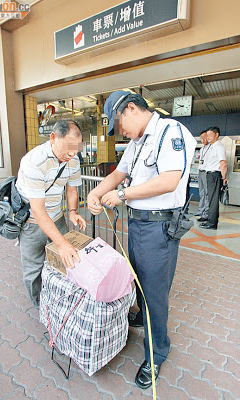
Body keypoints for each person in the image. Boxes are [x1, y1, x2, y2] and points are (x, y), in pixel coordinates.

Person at [87, 91, 196, 389]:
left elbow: (169, 180)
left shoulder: (169, 132)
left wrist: (122, 195)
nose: (120, 132)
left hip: (158, 228)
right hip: (137, 225)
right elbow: (120, 173)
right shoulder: (138, 142)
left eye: (119, 124)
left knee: (154, 293)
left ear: (131, 108)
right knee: (137, 279)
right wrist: (95, 193)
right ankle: (143, 317)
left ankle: (157, 351)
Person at [16, 120, 86, 309]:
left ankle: (61, 302)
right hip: (31, 223)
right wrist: (61, 244)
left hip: (57, 218)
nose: (71, 154)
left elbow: (72, 189)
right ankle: (42, 309)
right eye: (67, 149)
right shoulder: (33, 162)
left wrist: (72, 212)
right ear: (53, 138)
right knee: (33, 269)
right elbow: (38, 211)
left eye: (75, 149)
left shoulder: (73, 159)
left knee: (65, 263)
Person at [200, 126, 228, 230]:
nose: (208, 137)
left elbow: (223, 163)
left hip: (215, 175)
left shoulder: (218, 147)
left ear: (217, 135)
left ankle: (212, 223)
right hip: (210, 175)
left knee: (213, 199)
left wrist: (224, 178)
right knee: (211, 199)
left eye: (210, 135)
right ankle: (210, 220)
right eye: (207, 136)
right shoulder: (212, 147)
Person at [195, 130, 211, 221]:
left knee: (207, 193)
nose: (203, 140)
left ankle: (206, 212)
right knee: (202, 192)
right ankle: (200, 210)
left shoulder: (211, 148)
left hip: (207, 172)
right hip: (200, 171)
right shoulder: (202, 149)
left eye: (204, 138)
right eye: (201, 139)